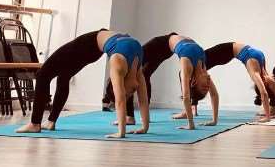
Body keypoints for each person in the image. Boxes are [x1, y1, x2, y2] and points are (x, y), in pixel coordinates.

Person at [16, 29, 149, 138]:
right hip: (89, 44)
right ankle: (50, 121)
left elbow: (133, 100)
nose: (128, 96)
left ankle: (35, 124)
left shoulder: (130, 69)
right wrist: (137, 129)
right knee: (60, 76)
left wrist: (128, 131)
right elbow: (128, 100)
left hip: (94, 45)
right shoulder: (128, 69)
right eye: (126, 95)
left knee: (43, 74)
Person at [101, 33, 218, 129]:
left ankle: (125, 111)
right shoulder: (203, 68)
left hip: (163, 47)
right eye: (206, 88)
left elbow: (186, 97)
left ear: (194, 82)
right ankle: (127, 112)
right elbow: (214, 94)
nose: (208, 85)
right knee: (144, 73)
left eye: (204, 87)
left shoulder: (186, 64)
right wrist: (214, 120)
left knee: (132, 71)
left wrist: (191, 124)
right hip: (163, 43)